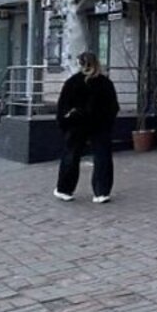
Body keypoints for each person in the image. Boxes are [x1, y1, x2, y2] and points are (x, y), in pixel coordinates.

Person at [54, 51, 120, 203]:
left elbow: (62, 107)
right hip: (100, 125)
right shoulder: (105, 83)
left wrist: (64, 124)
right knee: (102, 156)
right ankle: (102, 192)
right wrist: (108, 123)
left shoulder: (72, 83)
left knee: (71, 155)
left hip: (77, 125)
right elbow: (113, 107)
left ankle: (65, 190)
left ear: (79, 64)